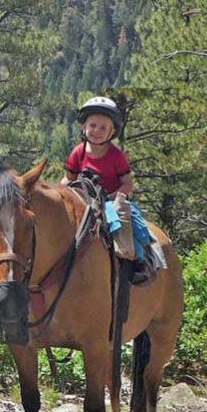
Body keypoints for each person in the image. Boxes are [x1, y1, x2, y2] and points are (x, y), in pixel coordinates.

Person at [59, 96, 160, 285]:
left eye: (103, 128)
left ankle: (139, 260)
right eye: (92, 125)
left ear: (112, 132)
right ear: (84, 127)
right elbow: (69, 177)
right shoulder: (78, 152)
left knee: (131, 221)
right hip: (84, 199)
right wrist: (59, 192)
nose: (96, 131)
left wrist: (115, 197)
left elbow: (127, 183)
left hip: (110, 200)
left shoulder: (116, 155)